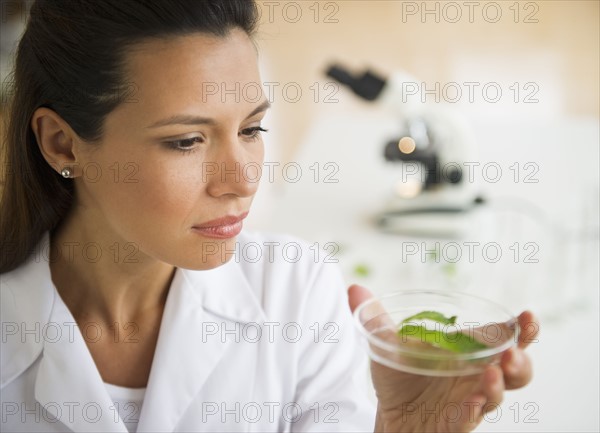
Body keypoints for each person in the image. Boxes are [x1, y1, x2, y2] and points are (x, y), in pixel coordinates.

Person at [0, 1, 538, 431]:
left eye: (251, 129)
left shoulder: (296, 292)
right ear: (62, 144)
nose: (243, 179)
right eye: (187, 141)